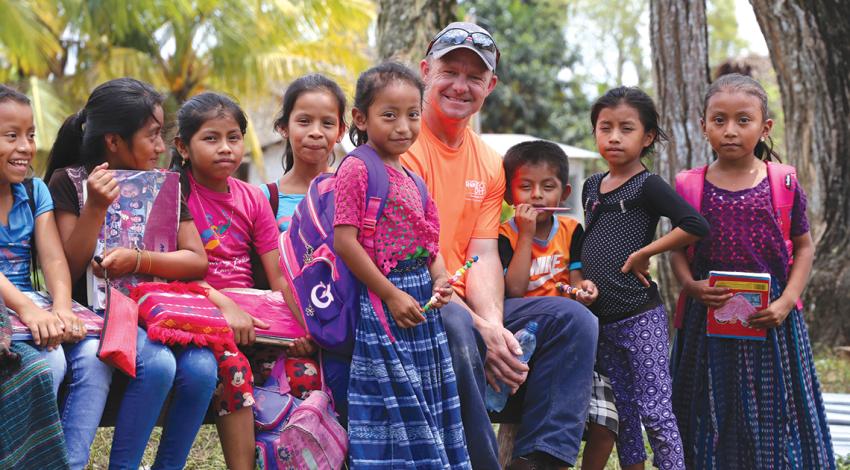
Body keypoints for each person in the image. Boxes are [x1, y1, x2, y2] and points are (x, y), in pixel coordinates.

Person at [402, 22, 598, 469]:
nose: (460, 85)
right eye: (450, 70)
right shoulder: (405, 147)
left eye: (475, 77)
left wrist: (494, 327)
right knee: (455, 323)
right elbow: (415, 253)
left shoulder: (489, 162)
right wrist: (482, 329)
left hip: (472, 303)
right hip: (418, 299)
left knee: (575, 321)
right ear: (426, 70)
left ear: (490, 86)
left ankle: (539, 460)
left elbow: (485, 250)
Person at [46, 77, 217, 469]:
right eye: (152, 136)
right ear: (113, 141)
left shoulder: (166, 187)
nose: (160, 147)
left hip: (160, 313)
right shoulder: (70, 182)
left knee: (203, 369)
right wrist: (95, 209)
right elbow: (69, 266)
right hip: (98, 317)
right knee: (157, 364)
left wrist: (139, 260)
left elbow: (196, 259)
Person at [670, 73, 834, 468]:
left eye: (743, 120)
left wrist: (787, 301)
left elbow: (805, 246)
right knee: (707, 403)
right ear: (703, 125)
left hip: (772, 320)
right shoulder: (690, 186)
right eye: (719, 120)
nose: (730, 130)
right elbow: (675, 246)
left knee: (778, 405)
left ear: (765, 127)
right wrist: (690, 286)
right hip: (706, 320)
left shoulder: (784, 182)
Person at [334, 62, 470, 468]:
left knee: (425, 396)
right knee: (397, 402)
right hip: (384, 306)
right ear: (361, 118)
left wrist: (442, 278)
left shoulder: (413, 177)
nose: (403, 127)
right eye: (388, 115)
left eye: (412, 114)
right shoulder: (357, 168)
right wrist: (391, 294)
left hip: (421, 306)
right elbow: (345, 242)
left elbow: (429, 242)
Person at [580, 86, 708, 470]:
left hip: (640, 317)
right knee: (623, 414)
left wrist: (644, 252)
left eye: (626, 128)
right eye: (605, 128)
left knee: (655, 410)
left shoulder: (647, 185)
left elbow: (695, 225)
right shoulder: (591, 185)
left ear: (647, 137)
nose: (614, 137)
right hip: (602, 319)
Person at [171, 91, 285, 470]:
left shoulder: (253, 198)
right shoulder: (172, 196)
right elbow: (166, 275)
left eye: (233, 137)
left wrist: (298, 325)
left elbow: (278, 276)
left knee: (304, 369)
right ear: (183, 147)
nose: (226, 149)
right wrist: (224, 307)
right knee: (234, 370)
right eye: (211, 138)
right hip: (198, 314)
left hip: (252, 319)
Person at [496, 140, 617, 470]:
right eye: (525, 187)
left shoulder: (571, 230)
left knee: (606, 417)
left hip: (567, 337)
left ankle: (546, 458)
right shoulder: (504, 235)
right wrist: (525, 235)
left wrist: (584, 290)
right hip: (523, 333)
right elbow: (515, 290)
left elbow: (576, 280)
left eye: (547, 187)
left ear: (563, 193)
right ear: (509, 195)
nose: (537, 195)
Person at [0, 85, 69, 470]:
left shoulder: (33, 188)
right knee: (50, 366)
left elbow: (53, 259)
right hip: (11, 312)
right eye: (12, 136)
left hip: (32, 308)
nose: (25, 146)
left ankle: (70, 460)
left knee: (92, 359)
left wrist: (60, 307)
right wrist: (29, 310)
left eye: (30, 135)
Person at [262, 74, 347, 232]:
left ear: (340, 131)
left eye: (327, 123)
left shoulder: (352, 191)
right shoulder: (264, 199)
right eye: (304, 121)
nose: (315, 132)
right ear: (284, 127)